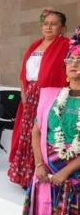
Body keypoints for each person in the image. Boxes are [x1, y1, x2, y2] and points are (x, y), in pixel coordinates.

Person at [19, 30, 80, 215]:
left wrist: (66, 171)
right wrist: (38, 164)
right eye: (71, 59)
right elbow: (37, 131)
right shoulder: (50, 96)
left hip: (74, 180)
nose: (75, 64)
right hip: (46, 174)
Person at [9, 10, 70, 188]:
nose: (48, 26)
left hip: (52, 95)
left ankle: (47, 171)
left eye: (54, 23)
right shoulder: (34, 45)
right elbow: (24, 73)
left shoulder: (66, 45)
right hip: (31, 95)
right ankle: (26, 174)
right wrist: (23, 91)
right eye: (46, 23)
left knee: (45, 132)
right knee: (28, 133)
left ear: (63, 28)